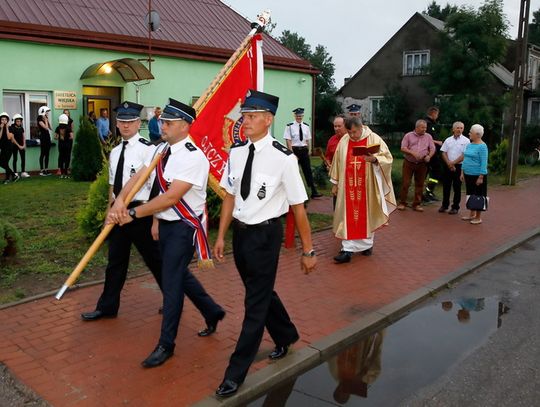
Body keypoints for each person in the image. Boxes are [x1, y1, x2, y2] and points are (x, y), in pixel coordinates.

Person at [213, 90, 317, 397]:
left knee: (254, 305)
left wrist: (308, 250)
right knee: (259, 293)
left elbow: (298, 208)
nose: (245, 121)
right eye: (244, 116)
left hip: (265, 236)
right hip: (241, 235)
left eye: (253, 116)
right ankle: (286, 335)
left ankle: (235, 373)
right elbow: (230, 195)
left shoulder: (283, 159)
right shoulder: (236, 153)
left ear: (268, 120)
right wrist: (221, 235)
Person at [109, 98, 225, 368]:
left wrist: (136, 213)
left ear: (184, 126)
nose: (162, 125)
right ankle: (212, 311)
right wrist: (120, 200)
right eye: (162, 121)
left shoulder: (194, 157)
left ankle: (166, 344)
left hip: (185, 227)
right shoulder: (160, 150)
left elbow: (172, 197)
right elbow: (138, 179)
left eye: (168, 123)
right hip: (167, 224)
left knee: (171, 283)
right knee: (179, 275)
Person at [81, 101, 164, 323]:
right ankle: (107, 306)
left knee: (155, 260)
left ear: (139, 123)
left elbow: (157, 187)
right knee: (115, 262)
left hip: (140, 212)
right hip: (118, 213)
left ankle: (172, 299)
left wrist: (156, 220)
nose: (126, 126)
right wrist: (110, 210)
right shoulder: (115, 151)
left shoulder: (150, 150)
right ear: (116, 124)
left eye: (130, 122)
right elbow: (112, 186)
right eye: (122, 122)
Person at [330, 116, 395, 263]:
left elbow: (388, 158)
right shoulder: (344, 141)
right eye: (349, 132)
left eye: (354, 132)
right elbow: (337, 162)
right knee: (348, 216)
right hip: (347, 186)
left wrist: (374, 159)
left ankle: (366, 245)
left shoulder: (373, 138)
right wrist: (335, 183)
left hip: (367, 186)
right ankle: (347, 249)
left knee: (367, 214)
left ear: (361, 128)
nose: (352, 135)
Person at [397, 119, 436, 212]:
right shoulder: (408, 136)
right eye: (422, 127)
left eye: (425, 128)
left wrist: (429, 156)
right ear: (417, 127)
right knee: (406, 183)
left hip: (422, 163)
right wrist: (413, 153)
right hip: (409, 162)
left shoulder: (428, 137)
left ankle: (417, 204)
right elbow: (403, 148)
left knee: (420, 184)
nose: (424, 129)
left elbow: (432, 148)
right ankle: (402, 203)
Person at [283, 107, 322, 199]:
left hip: (304, 150)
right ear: (294, 116)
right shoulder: (290, 126)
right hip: (294, 150)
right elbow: (288, 140)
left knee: (307, 171)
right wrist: (291, 153)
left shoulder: (306, 126)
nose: (299, 117)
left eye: (300, 116)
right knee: (294, 172)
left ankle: (314, 191)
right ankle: (294, 192)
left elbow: (307, 140)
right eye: (297, 115)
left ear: (303, 116)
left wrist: (308, 150)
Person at [439, 121, 470, 214]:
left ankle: (455, 207)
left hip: (459, 166)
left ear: (463, 129)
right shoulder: (448, 140)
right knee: (446, 186)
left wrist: (453, 163)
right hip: (448, 165)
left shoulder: (466, 141)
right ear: (453, 129)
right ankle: (444, 205)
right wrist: (449, 163)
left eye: (461, 128)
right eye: (457, 128)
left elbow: (464, 155)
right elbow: (443, 152)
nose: (459, 129)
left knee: (457, 187)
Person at [460, 124, 488, 225]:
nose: (469, 134)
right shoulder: (470, 144)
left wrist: (481, 176)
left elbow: (484, 162)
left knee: (478, 195)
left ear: (477, 134)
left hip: (477, 175)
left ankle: (478, 217)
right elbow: (465, 158)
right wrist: (462, 172)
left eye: (470, 132)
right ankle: (471, 214)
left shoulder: (482, 146)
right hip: (468, 174)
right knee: (470, 194)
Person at [423, 106, 442, 202]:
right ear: (433, 113)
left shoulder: (430, 123)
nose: (437, 116)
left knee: (430, 172)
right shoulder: (428, 124)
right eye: (437, 114)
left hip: (431, 152)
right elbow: (426, 138)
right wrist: (438, 142)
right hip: (430, 153)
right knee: (436, 170)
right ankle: (428, 192)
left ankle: (427, 192)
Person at [9, 114, 29, 178]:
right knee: (15, 159)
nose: (19, 122)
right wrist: (18, 146)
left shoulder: (21, 128)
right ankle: (15, 173)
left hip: (21, 145)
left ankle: (23, 172)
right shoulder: (11, 128)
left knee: (23, 159)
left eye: (20, 121)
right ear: (14, 121)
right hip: (14, 145)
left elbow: (23, 137)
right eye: (17, 121)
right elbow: (12, 139)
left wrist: (24, 145)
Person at [0, 112, 18, 183]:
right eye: (2, 119)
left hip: (9, 148)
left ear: (7, 120)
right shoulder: (0, 128)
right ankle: (13, 176)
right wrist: (1, 129)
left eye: (5, 119)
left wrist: (7, 128)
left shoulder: (10, 128)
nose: (4, 121)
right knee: (2, 163)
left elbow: (8, 137)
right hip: (2, 148)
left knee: (4, 163)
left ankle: (8, 178)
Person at [55, 114, 74, 178]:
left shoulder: (58, 128)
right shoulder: (68, 128)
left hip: (61, 145)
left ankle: (62, 174)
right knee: (67, 158)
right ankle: (66, 174)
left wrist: (61, 137)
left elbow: (56, 137)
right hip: (67, 145)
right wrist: (67, 138)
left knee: (61, 158)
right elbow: (72, 137)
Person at [37, 105, 52, 176]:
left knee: (47, 154)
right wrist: (46, 121)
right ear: (43, 112)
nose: (47, 114)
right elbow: (46, 128)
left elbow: (50, 128)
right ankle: (41, 170)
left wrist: (47, 120)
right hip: (43, 138)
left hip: (47, 137)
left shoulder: (45, 119)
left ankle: (46, 169)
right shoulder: (39, 120)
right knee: (42, 154)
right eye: (46, 112)